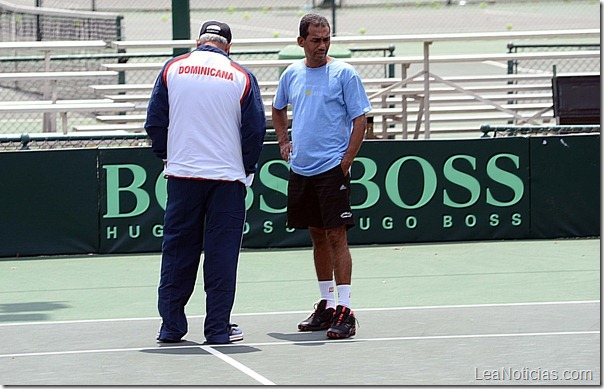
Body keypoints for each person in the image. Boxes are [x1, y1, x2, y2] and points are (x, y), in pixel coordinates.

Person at [145, 20, 266, 344]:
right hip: (227, 179)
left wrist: (168, 157)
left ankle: (171, 327)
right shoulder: (241, 76)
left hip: (183, 176)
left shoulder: (173, 68)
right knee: (222, 256)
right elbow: (255, 130)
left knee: (177, 253)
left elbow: (155, 122)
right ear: (228, 47)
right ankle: (217, 329)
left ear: (198, 42)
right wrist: (248, 168)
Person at [272, 13, 371, 339]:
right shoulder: (292, 74)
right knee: (316, 235)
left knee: (336, 236)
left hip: (333, 170)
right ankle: (326, 305)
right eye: (315, 40)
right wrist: (284, 141)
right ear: (301, 41)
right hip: (302, 169)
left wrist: (345, 161)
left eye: (326, 39)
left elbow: (360, 119)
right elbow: (277, 108)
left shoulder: (344, 73)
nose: (321, 45)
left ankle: (345, 309)